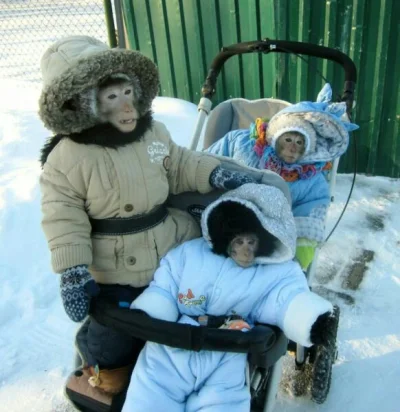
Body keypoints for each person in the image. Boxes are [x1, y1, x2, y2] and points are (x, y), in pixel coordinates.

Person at [37, 35, 280, 403]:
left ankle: (199, 372)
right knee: (113, 334)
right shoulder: (68, 159)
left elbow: (179, 164)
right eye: (110, 97)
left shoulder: (152, 134)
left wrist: (217, 173)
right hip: (115, 267)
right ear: (79, 104)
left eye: (127, 93)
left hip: (170, 249)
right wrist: (73, 270)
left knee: (192, 311)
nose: (125, 106)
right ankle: (108, 372)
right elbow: (62, 217)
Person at [122, 183, 334, 412]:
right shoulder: (192, 252)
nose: (245, 250)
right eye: (239, 242)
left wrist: (309, 319)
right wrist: (150, 313)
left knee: (222, 403)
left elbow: (287, 298)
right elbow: (167, 284)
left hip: (228, 349)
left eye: (251, 242)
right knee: (150, 395)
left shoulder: (275, 271)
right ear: (226, 237)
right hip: (173, 343)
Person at [206, 84, 359, 270]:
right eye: (288, 140)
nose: (293, 147)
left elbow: (310, 214)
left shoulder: (310, 178)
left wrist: (299, 257)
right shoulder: (243, 143)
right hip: (224, 216)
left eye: (299, 142)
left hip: (268, 237)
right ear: (275, 136)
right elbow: (205, 162)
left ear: (307, 148)